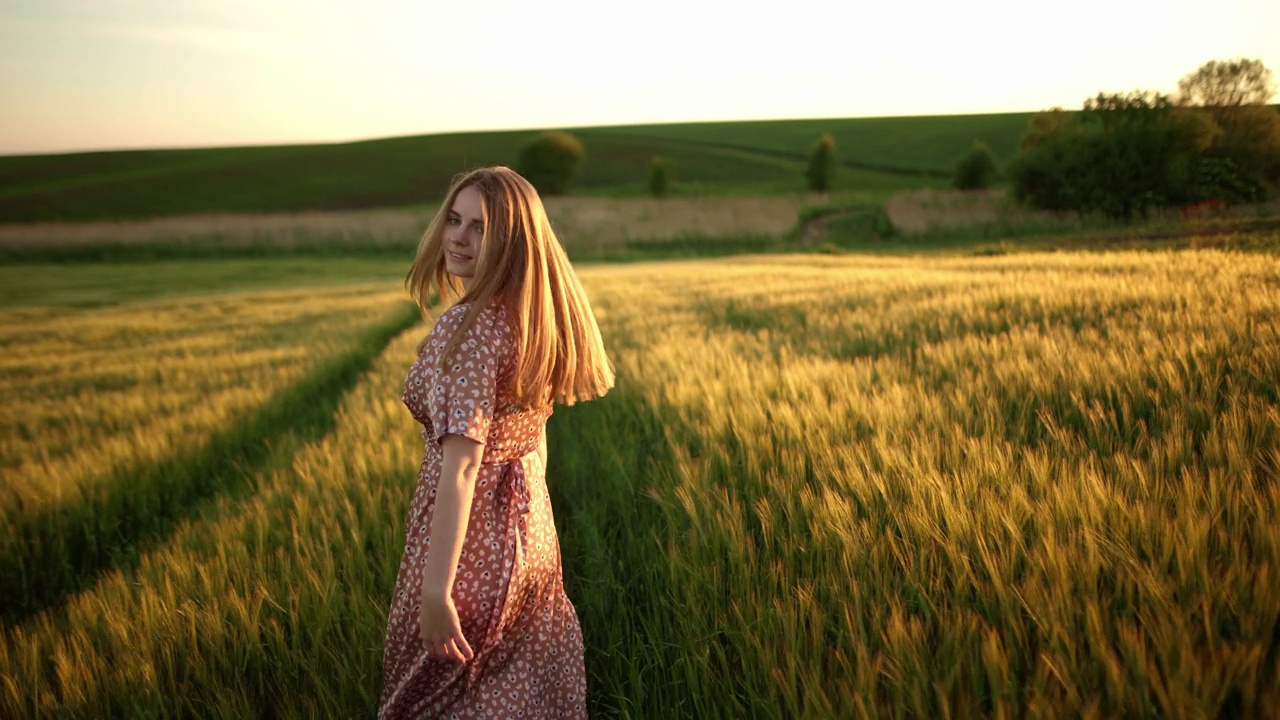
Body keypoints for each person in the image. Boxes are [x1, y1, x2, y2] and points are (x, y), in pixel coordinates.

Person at [379, 166, 614, 719]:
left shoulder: (471, 329)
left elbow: (462, 468)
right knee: (518, 691)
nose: (458, 237)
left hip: (467, 552)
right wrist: (534, 537)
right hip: (529, 536)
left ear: (512, 240)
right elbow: (536, 439)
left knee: (440, 699)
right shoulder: (531, 320)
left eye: (480, 227)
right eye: (454, 220)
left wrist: (436, 593)